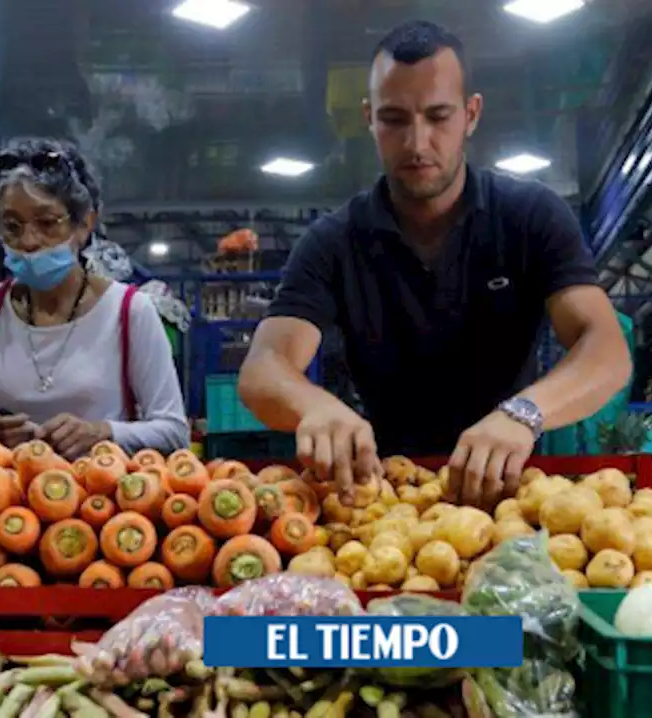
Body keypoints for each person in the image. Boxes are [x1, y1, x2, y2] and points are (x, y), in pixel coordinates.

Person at [238, 21, 631, 509]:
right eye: (395, 119)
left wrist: (524, 414)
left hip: (512, 494)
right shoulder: (333, 241)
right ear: (369, 119)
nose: (417, 142)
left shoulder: (531, 217)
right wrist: (313, 405)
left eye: (438, 116)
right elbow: (262, 368)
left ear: (471, 114)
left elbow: (607, 349)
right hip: (382, 501)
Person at [0, 137, 189, 460]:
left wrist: (104, 432)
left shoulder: (129, 311)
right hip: (6, 501)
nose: (29, 241)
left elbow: (174, 432)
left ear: (84, 224)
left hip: (100, 501)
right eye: (12, 226)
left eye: (47, 223)